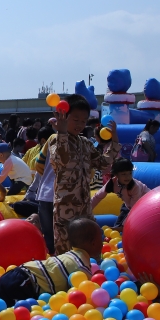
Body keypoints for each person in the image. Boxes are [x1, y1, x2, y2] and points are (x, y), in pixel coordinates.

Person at [0, 218, 104, 305]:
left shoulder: (69, 255)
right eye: (101, 239)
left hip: (13, 276)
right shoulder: (82, 269)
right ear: (93, 243)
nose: (103, 242)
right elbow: (81, 297)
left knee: (7, 305)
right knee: (22, 310)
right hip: (23, 284)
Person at [46, 95, 106, 254]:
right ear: (64, 116)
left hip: (85, 206)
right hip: (66, 207)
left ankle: (93, 274)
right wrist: (63, 133)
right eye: (76, 119)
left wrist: (112, 143)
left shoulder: (85, 143)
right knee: (65, 248)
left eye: (84, 121)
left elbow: (103, 164)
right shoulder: (55, 140)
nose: (80, 124)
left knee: (91, 246)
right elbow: (62, 160)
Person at [91, 157, 150, 230]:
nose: (128, 177)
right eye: (123, 174)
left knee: (126, 228)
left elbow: (134, 210)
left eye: (130, 173)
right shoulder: (112, 183)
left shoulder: (134, 187)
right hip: (129, 206)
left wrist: (122, 227)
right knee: (118, 225)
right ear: (116, 174)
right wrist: (87, 210)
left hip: (146, 206)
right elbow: (97, 197)